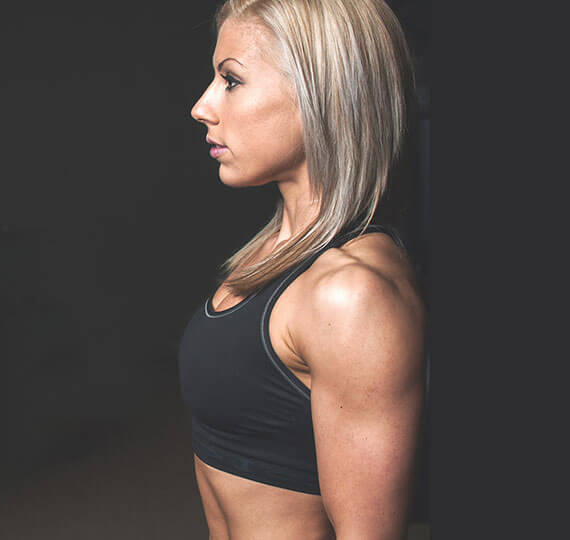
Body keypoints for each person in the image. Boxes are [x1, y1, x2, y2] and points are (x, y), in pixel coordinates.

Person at [177, 1, 426, 538]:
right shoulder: (274, 250)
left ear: (321, 95)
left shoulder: (351, 294)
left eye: (231, 81)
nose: (202, 106)